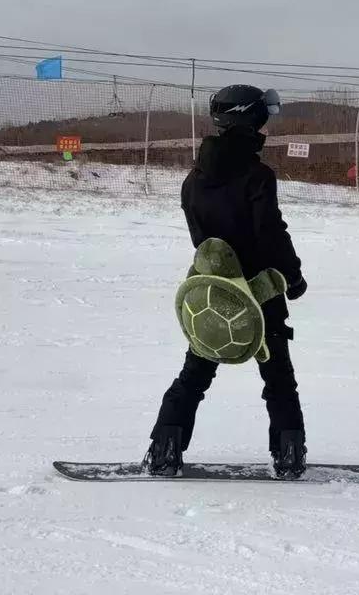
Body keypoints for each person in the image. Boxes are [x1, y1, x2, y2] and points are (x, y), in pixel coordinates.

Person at [144, 85, 309, 478]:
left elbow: (202, 241)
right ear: (250, 120)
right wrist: (294, 277)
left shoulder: (193, 181)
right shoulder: (258, 176)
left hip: (213, 294)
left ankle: (164, 448)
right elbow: (270, 234)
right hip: (259, 294)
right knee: (278, 378)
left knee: (195, 374)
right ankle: (289, 454)